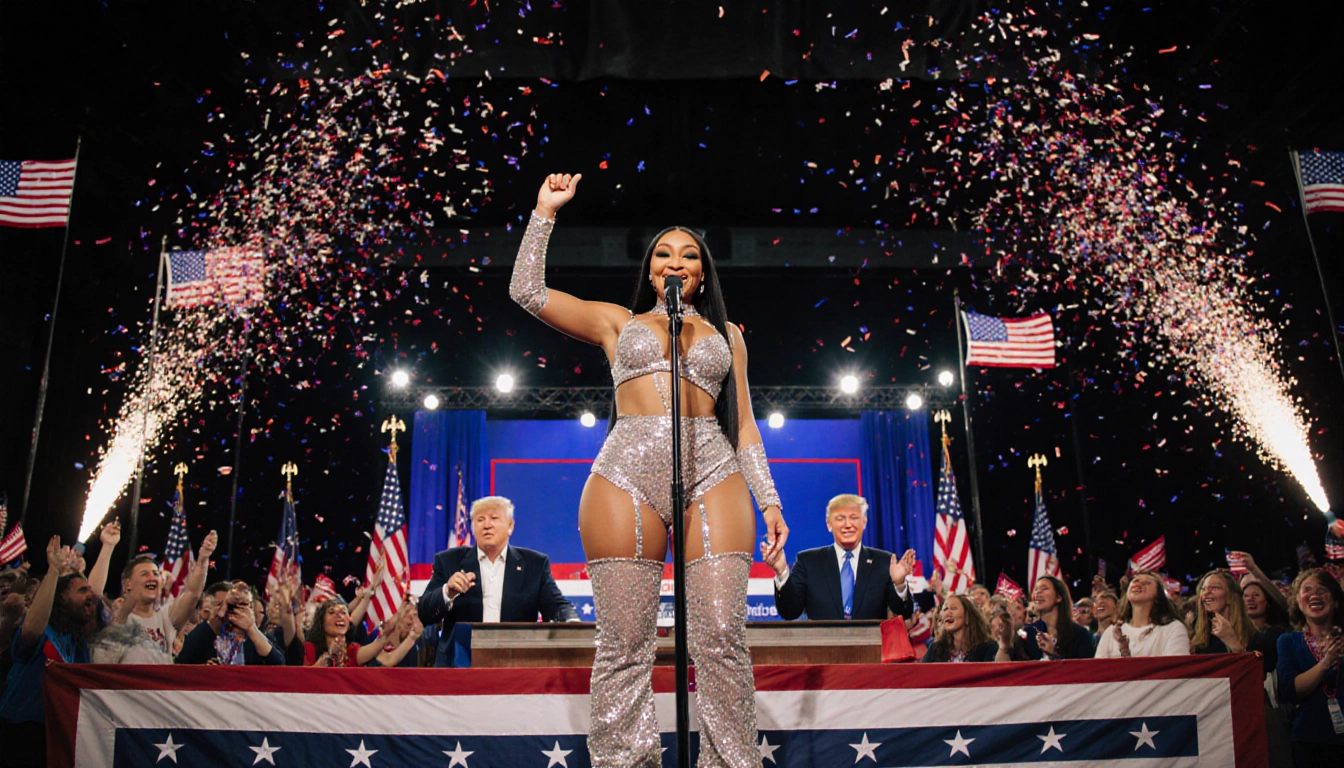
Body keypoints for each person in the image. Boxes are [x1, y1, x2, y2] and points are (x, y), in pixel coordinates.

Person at [509, 173, 790, 768]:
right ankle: (625, 762)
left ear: (703, 274)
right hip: (626, 475)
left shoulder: (728, 336)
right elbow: (526, 292)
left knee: (721, 636)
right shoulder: (618, 322)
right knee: (625, 644)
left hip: (712, 468)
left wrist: (769, 500)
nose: (675, 262)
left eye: (689, 255)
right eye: (664, 253)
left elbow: (743, 424)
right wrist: (544, 212)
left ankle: (730, 762)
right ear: (651, 270)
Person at [418, 496, 578, 667]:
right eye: (480, 519)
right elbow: (424, 613)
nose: (487, 525)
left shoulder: (535, 564)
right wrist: (447, 592)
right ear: (473, 527)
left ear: (510, 526)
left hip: (516, 664)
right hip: (460, 665)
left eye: (494, 518)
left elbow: (555, 606)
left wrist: (573, 623)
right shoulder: (449, 561)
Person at [0, 538, 97, 768]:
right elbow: (31, 632)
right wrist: (54, 571)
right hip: (19, 730)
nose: (90, 596)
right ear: (62, 597)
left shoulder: (77, 640)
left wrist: (81, 572)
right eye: (82, 591)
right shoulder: (44, 627)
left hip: (55, 733)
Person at [767, 494, 916, 622]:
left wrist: (899, 583)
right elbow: (790, 612)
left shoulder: (883, 562)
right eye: (840, 518)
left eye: (854, 518)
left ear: (864, 522)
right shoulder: (808, 561)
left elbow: (904, 613)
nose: (848, 525)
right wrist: (782, 572)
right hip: (823, 645)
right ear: (829, 525)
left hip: (871, 645)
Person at [112, 530, 217, 662]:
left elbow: (192, 593)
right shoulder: (114, 617)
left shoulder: (166, 617)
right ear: (128, 584)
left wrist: (203, 559)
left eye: (156, 574)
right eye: (144, 574)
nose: (152, 578)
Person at [1275, 569, 1344, 764]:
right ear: (1298, 602)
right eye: (1307, 590)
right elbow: (1291, 690)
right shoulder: (1289, 641)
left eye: (1322, 590)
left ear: (1336, 601)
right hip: (1309, 741)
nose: (1314, 595)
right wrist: (1326, 663)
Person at [176, 581, 285, 665]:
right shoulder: (203, 635)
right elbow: (182, 661)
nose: (228, 610)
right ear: (209, 608)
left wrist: (252, 629)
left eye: (234, 606)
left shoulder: (253, 639)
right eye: (220, 604)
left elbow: (278, 663)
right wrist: (218, 619)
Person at [1094, 571, 1188, 658]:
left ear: (1158, 597)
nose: (1138, 584)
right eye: (1135, 581)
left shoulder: (1173, 629)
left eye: (1147, 583)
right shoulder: (1111, 633)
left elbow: (1175, 667)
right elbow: (1098, 668)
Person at [1002, 576, 1095, 661]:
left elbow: (1085, 670)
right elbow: (1009, 668)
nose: (1038, 592)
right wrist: (1004, 645)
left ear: (1058, 597)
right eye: (1036, 589)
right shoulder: (1028, 633)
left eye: (1044, 588)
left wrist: (1053, 654)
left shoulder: (1079, 634)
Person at [303, 598, 382, 667]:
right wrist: (319, 666)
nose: (339, 615)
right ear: (321, 622)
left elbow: (377, 646)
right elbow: (302, 676)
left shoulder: (352, 651)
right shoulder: (309, 649)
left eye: (343, 612)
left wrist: (386, 635)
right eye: (331, 612)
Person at [1192, 570, 1255, 655]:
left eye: (1215, 587)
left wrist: (1232, 641)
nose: (1206, 592)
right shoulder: (1199, 632)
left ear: (1230, 597)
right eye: (1203, 589)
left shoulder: (1252, 634)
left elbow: (1251, 663)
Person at [921, 594, 998, 662]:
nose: (948, 613)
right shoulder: (936, 649)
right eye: (945, 609)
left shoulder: (988, 648)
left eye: (953, 608)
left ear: (967, 616)